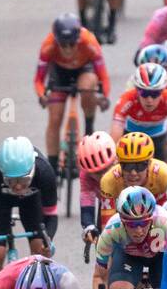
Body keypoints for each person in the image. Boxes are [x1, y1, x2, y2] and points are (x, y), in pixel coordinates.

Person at [0, 136, 58, 282]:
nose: (17, 187)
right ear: (2, 172)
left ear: (33, 170)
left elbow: (51, 215)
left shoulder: (45, 171)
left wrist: (49, 241)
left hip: (32, 201)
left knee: (40, 252)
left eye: (23, 180)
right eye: (11, 180)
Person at [34, 13, 111, 172]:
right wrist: (42, 95)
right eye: (63, 45)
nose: (68, 49)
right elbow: (39, 80)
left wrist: (104, 96)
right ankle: (53, 167)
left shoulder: (89, 41)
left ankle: (89, 126)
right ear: (57, 41)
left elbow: (103, 75)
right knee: (55, 118)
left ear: (78, 40)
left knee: (88, 86)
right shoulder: (48, 45)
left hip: (84, 70)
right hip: (59, 74)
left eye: (72, 44)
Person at [77, 131, 120, 289]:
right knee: (104, 287)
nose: (100, 176)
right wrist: (88, 228)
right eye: (94, 173)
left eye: (104, 170)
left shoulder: (124, 167)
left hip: (129, 216)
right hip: (107, 225)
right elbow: (86, 205)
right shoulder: (86, 176)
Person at [110, 65, 167, 162]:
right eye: (144, 93)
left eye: (155, 94)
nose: (149, 100)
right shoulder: (126, 100)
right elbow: (116, 132)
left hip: (158, 138)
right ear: (136, 90)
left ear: (162, 91)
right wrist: (114, 159)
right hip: (131, 136)